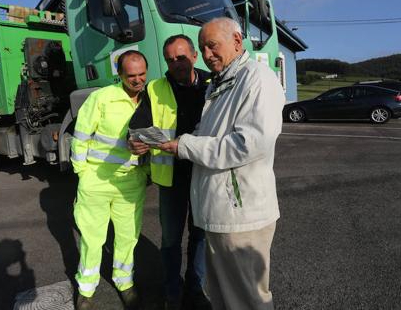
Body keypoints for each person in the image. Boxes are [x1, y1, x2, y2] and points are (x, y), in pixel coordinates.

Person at [158, 17, 285, 310]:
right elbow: (208, 132)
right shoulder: (221, 81)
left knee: (248, 298)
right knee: (224, 294)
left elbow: (249, 143)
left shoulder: (257, 78)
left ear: (237, 41)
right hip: (221, 211)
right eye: (203, 48)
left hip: (241, 216)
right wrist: (172, 139)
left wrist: (184, 145)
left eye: (212, 45)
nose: (207, 54)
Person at [128, 35, 211, 309]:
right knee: (171, 239)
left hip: (204, 174)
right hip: (171, 178)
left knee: (200, 235)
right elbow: (138, 125)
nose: (176, 64)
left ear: (195, 56)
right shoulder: (155, 88)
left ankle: (195, 286)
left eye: (181, 58)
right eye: (170, 59)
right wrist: (135, 142)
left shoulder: (214, 84)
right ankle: (172, 292)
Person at [71, 50, 149, 310]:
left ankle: (125, 283)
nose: (137, 80)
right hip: (97, 182)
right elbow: (80, 136)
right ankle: (86, 290)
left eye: (141, 75)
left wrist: (147, 173)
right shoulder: (101, 98)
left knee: (128, 237)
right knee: (93, 240)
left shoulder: (150, 100)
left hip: (131, 183)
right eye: (131, 76)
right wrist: (82, 173)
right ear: (119, 74)